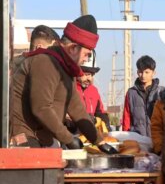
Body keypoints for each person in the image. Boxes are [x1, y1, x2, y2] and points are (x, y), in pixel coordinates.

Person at [10, 14, 104, 149]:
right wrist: (68, 139)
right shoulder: (45, 62)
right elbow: (41, 108)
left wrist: (99, 141)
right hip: (24, 139)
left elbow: (77, 109)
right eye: (86, 54)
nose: (86, 59)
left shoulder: (66, 68)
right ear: (73, 48)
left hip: (41, 138)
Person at [122, 55, 164, 184]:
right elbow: (126, 118)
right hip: (138, 141)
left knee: (159, 179)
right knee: (142, 179)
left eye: (146, 71)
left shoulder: (162, 92)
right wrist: (126, 138)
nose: (143, 75)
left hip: (158, 140)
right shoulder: (131, 93)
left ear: (153, 72)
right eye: (140, 72)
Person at [76, 52, 111, 131]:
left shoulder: (94, 90)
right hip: (73, 134)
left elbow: (99, 111)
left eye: (91, 75)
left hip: (92, 135)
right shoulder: (69, 88)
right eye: (87, 74)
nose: (90, 79)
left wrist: (105, 120)